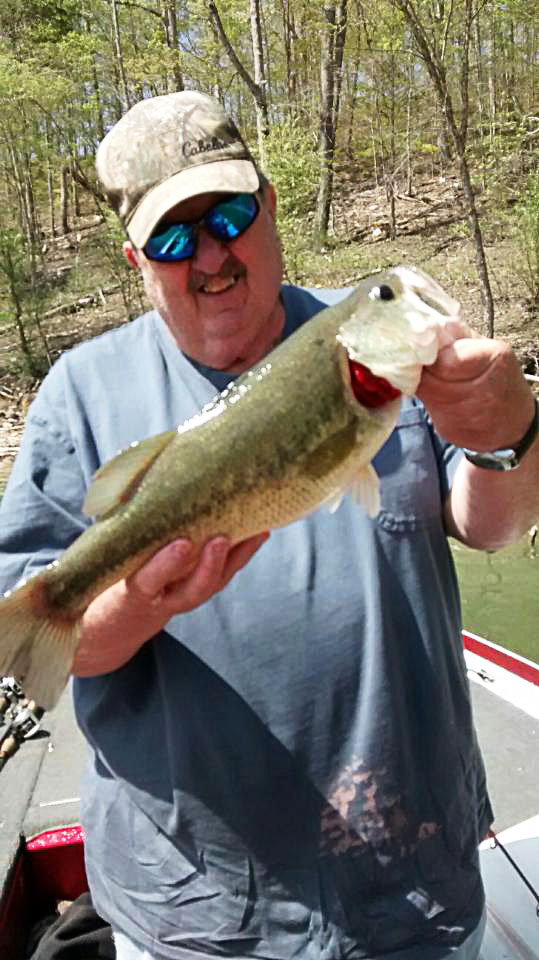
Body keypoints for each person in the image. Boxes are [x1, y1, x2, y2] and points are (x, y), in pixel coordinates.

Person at [0, 90, 538, 960]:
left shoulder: (371, 348)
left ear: (271, 203)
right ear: (133, 253)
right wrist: (141, 601)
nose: (210, 255)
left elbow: (492, 529)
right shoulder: (78, 393)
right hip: (198, 917)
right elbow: (57, 652)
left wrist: (507, 440)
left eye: (230, 216)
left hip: (413, 890)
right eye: (174, 238)